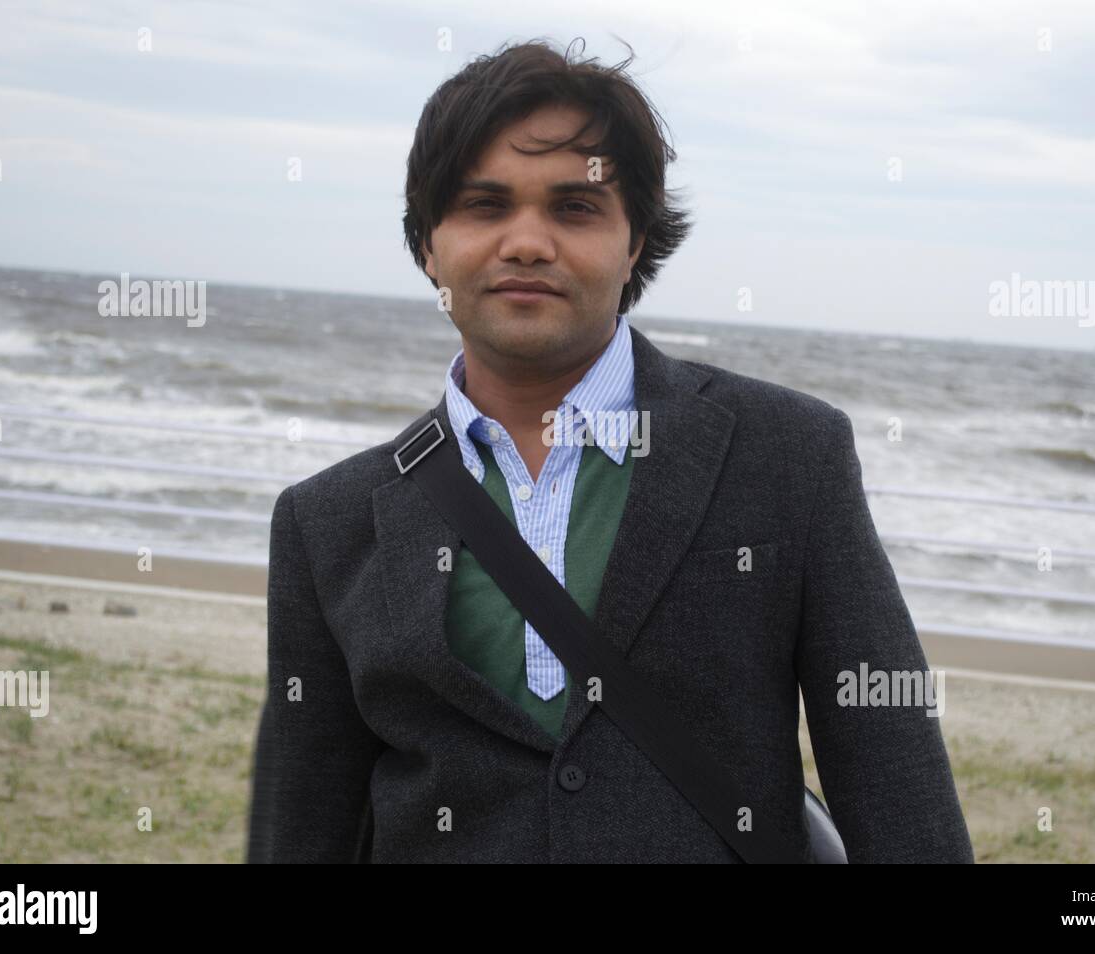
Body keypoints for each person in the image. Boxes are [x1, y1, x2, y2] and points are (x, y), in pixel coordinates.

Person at [245, 37, 974, 863]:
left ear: (634, 245)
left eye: (574, 207)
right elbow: (302, 821)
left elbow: (891, 768)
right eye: (485, 206)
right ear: (428, 246)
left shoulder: (788, 454)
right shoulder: (328, 521)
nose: (527, 242)